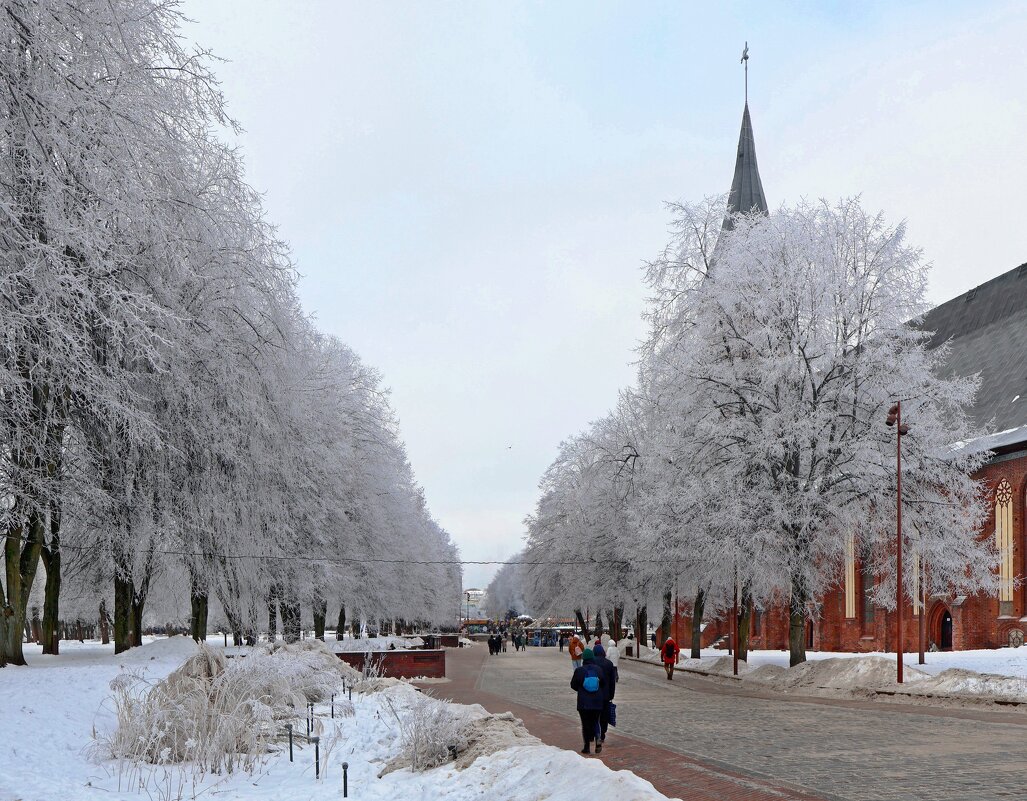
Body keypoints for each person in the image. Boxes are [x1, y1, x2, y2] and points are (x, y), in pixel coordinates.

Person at [570, 647, 605, 754]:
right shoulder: (598, 669)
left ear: (583, 658)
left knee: (585, 724)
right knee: (596, 720)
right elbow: (603, 683)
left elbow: (573, 685)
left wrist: (581, 689)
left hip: (584, 702)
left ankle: (587, 747)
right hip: (597, 701)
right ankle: (598, 736)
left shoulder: (579, 670)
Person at [592, 644, 617, 744]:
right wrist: (612, 694)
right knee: (604, 715)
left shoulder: (592, 663)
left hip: (594, 693)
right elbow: (612, 681)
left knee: (595, 714)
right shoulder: (609, 664)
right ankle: (603, 733)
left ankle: (596, 732)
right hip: (606, 694)